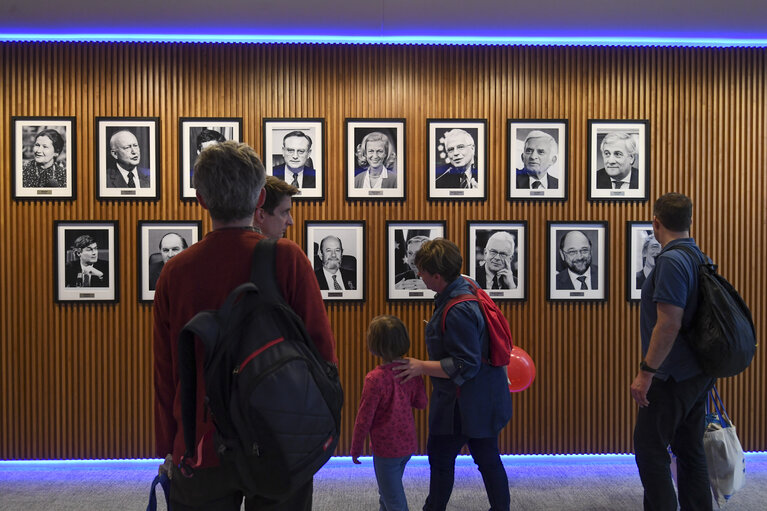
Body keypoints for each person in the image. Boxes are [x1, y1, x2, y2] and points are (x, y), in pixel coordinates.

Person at [153, 141, 337, 511]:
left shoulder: (175, 271)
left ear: (201, 199)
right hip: (278, 435)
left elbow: (167, 370)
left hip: (201, 441)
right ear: (260, 196)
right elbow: (322, 354)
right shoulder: (288, 258)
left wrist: (170, 447)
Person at [392, 238, 512, 511]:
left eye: (422, 271)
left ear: (437, 276)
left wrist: (420, 366)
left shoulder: (458, 310)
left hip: (462, 406)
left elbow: (464, 364)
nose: (418, 274)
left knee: (442, 461)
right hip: (482, 399)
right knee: (488, 459)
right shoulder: (468, 285)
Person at [630, 192, 715, 511]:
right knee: (689, 449)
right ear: (690, 221)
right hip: (696, 372)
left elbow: (668, 323)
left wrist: (645, 372)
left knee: (649, 450)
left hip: (671, 375)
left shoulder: (669, 260)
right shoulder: (698, 256)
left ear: (656, 223)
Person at [350, 315, 427, 511]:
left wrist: (356, 448)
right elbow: (421, 403)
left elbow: (363, 419)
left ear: (374, 345)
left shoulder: (374, 379)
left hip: (386, 449)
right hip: (407, 445)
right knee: (387, 492)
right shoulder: (411, 371)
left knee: (394, 500)